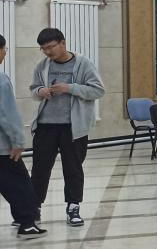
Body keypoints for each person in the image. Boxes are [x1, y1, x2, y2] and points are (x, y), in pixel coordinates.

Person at [29, 27, 105, 228]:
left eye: (50, 47)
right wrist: (41, 91)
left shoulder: (83, 64)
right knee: (39, 169)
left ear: (63, 43)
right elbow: (33, 89)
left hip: (73, 128)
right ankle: (33, 208)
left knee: (73, 168)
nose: (47, 52)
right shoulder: (43, 65)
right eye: (43, 49)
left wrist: (70, 88)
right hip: (45, 125)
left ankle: (73, 207)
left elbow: (98, 90)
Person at [1, 35, 46, 237]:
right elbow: (7, 114)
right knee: (21, 185)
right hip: (3, 147)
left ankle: (21, 218)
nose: (5, 53)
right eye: (4, 49)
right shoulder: (1, 80)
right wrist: (18, 141)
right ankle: (27, 223)